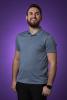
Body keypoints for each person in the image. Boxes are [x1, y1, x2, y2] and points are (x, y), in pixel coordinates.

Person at [11, 4, 57, 100]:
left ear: (41, 17)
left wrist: (49, 85)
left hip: (39, 85)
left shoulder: (48, 38)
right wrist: (14, 80)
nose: (33, 16)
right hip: (21, 84)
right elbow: (16, 59)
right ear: (26, 17)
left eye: (37, 14)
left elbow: (53, 63)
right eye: (31, 13)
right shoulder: (20, 37)